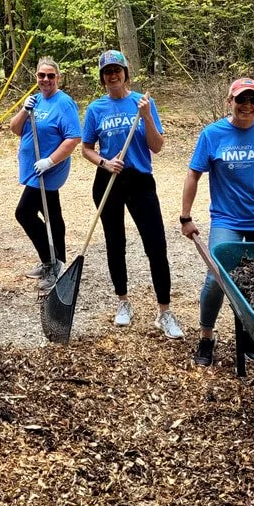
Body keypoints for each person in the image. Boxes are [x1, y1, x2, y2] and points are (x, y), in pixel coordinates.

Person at [180, 77, 254, 367]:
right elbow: (193, 175)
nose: (247, 105)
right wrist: (186, 217)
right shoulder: (212, 134)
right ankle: (206, 336)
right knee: (216, 278)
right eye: (241, 99)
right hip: (227, 219)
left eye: (252, 100)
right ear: (230, 101)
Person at [80, 49, 184, 339]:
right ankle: (123, 302)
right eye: (107, 71)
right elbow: (86, 148)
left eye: (117, 70)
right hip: (108, 181)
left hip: (140, 181)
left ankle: (164, 312)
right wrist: (104, 161)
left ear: (126, 72)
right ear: (102, 77)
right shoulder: (95, 109)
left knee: (156, 245)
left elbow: (157, 146)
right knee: (116, 244)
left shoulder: (142, 103)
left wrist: (147, 117)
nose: (113, 75)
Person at [9, 57, 82, 290]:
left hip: (50, 170)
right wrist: (24, 110)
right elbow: (15, 129)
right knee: (52, 215)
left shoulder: (64, 103)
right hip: (34, 168)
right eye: (42, 75)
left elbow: (73, 138)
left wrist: (49, 161)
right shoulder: (36, 100)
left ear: (57, 78)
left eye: (51, 75)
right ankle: (54, 260)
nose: (46, 79)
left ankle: (52, 262)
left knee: (24, 213)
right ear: (36, 77)